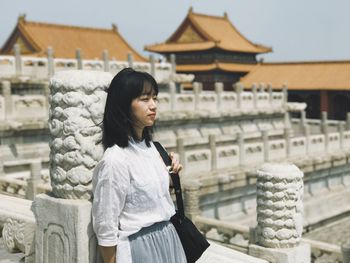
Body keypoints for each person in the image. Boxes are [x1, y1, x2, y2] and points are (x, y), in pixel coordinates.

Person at [91, 68, 187, 263]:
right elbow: (106, 226)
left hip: (169, 238)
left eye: (155, 98)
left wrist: (170, 175)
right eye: (144, 99)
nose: (153, 105)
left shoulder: (152, 148)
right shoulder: (115, 160)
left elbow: (146, 195)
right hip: (140, 247)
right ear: (124, 105)